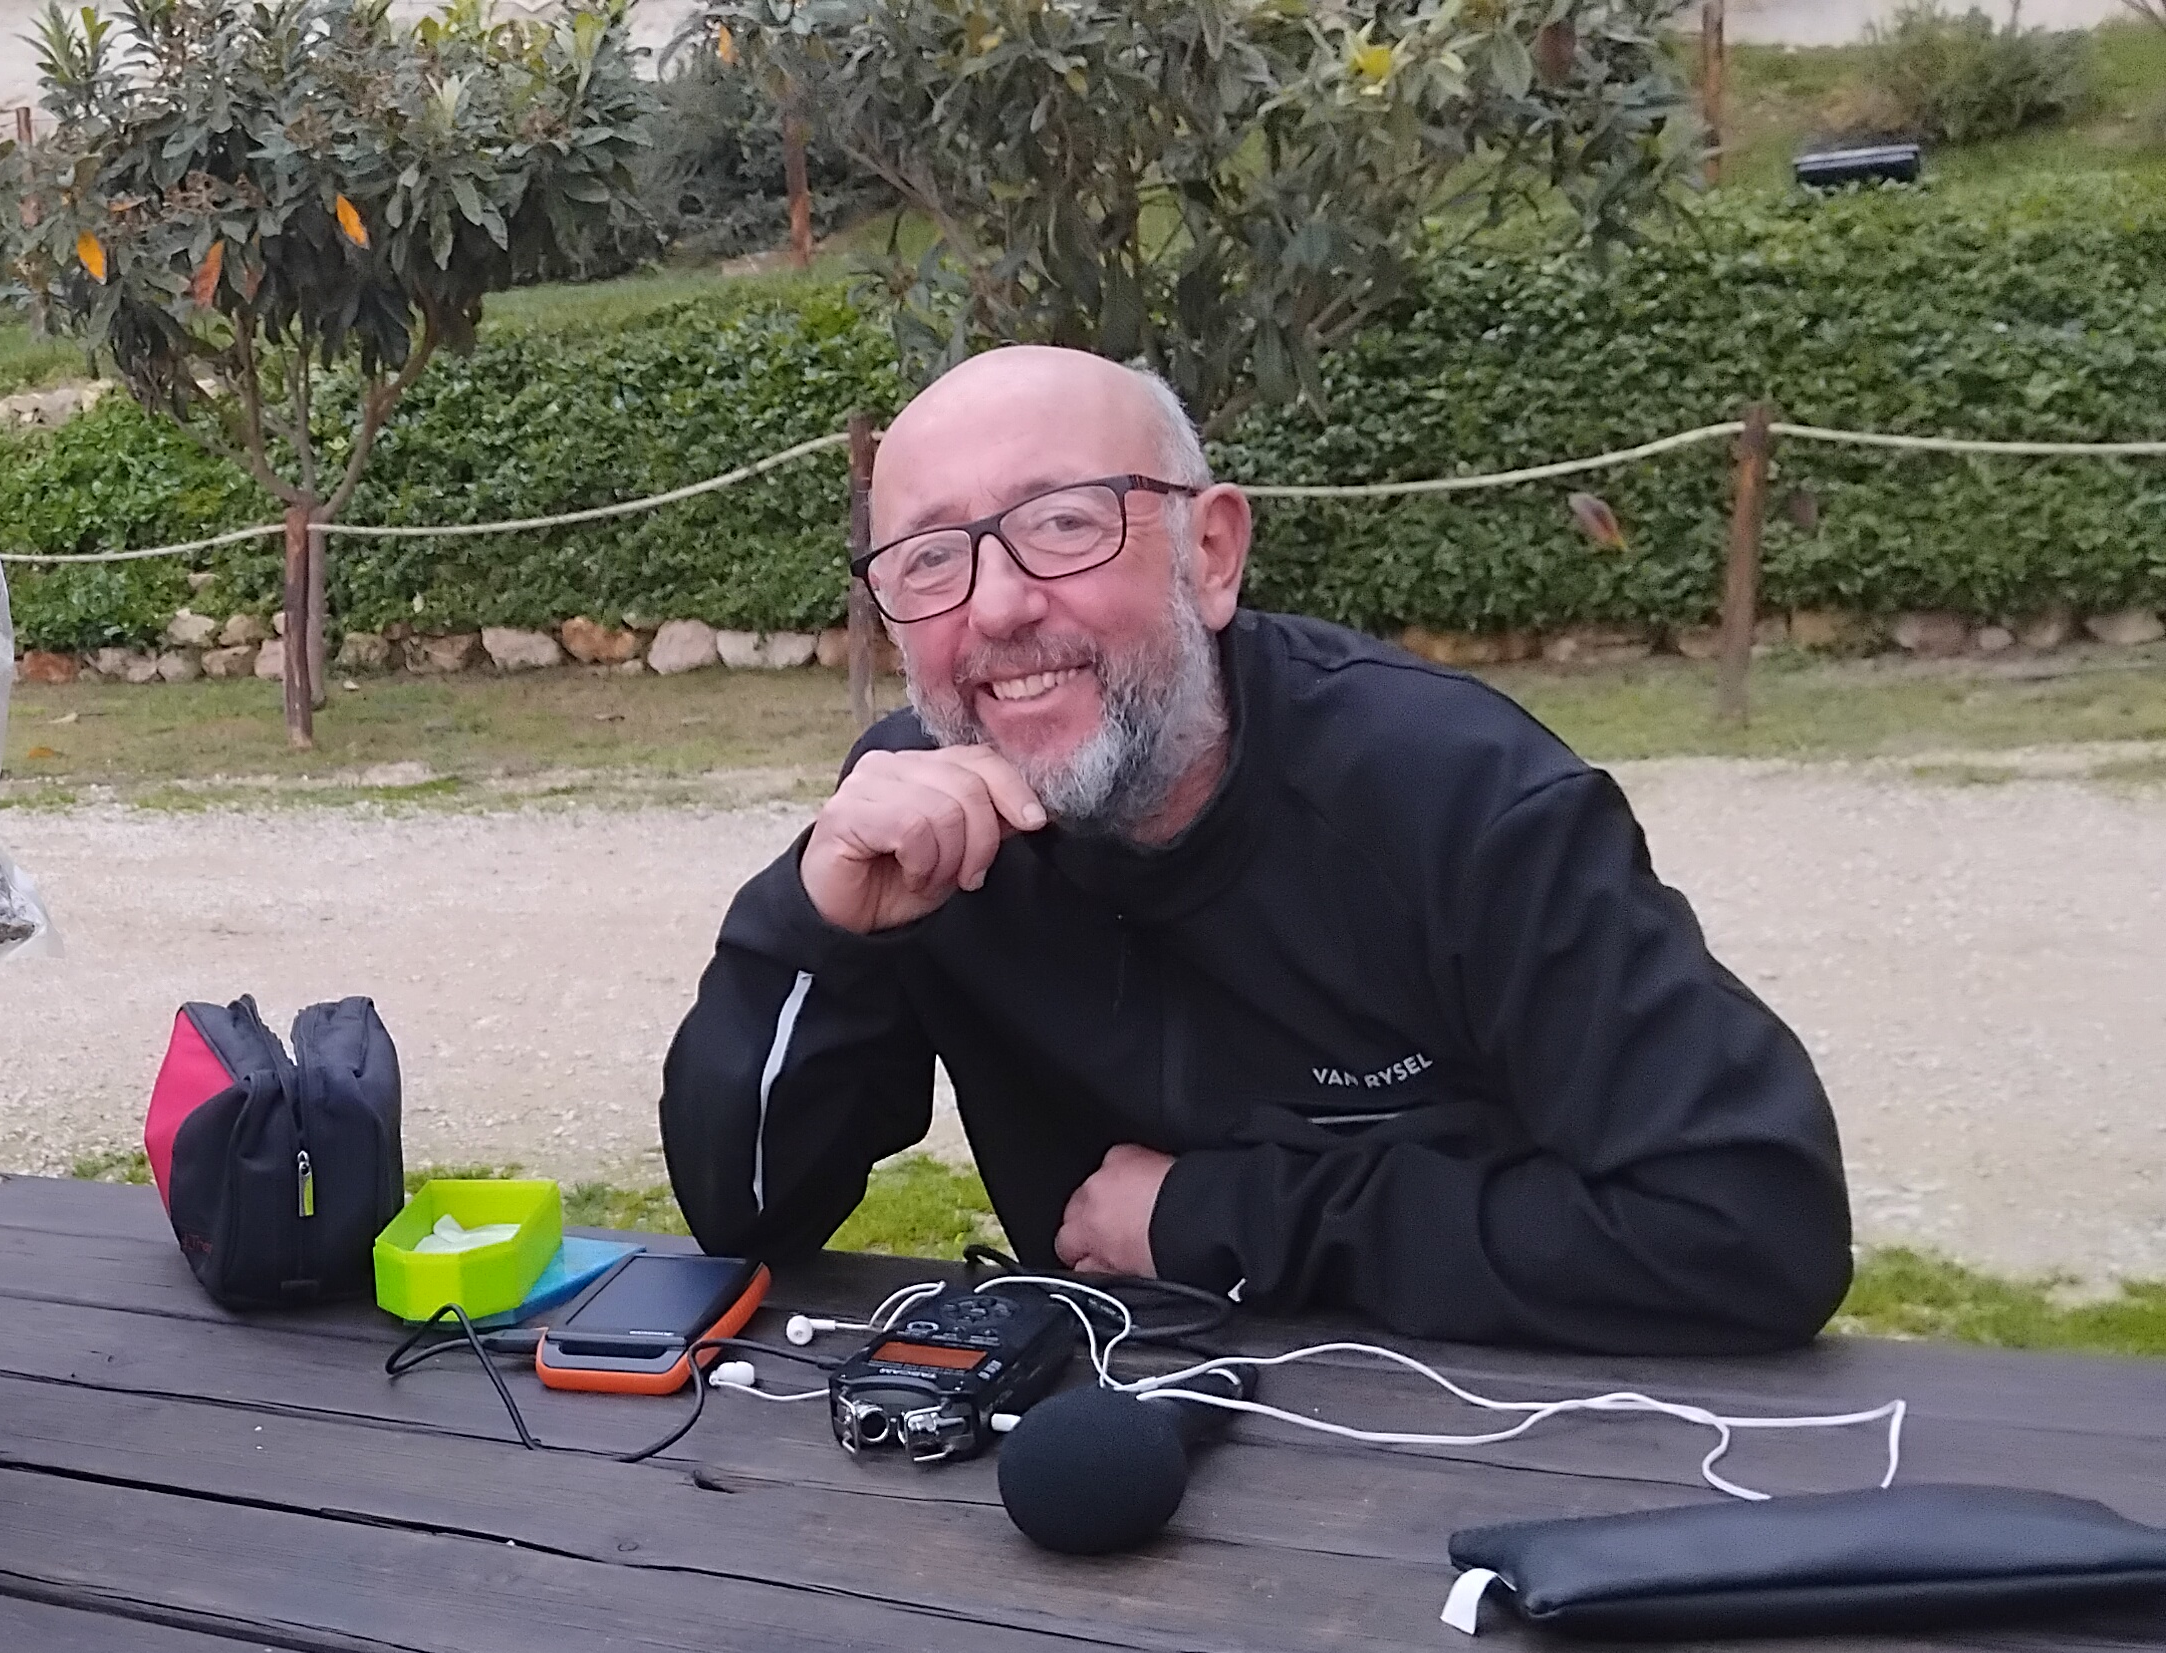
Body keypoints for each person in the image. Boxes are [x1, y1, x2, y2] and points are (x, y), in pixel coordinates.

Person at [660, 346, 1850, 1355]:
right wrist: (812, 926)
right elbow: (745, 1222)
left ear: (1211, 553)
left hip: (1497, 1444)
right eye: (927, 558)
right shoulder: (924, 824)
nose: (998, 605)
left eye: (1063, 523)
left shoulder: (1452, 795)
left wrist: (1219, 1216)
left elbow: (1754, 1222)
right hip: (1103, 1452)